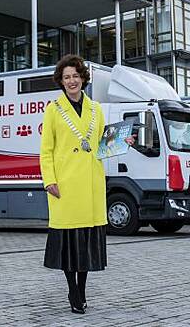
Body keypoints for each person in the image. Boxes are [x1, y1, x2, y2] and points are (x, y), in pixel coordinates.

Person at [40, 54, 132, 314]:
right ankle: (73, 290)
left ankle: (81, 290)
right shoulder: (53, 110)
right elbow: (46, 151)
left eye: (75, 76)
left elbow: (103, 146)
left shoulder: (96, 109)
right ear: (61, 80)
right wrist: (50, 181)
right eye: (67, 77)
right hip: (65, 186)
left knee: (85, 244)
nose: (71, 81)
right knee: (70, 243)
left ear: (83, 78)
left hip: (91, 184)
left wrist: (123, 141)